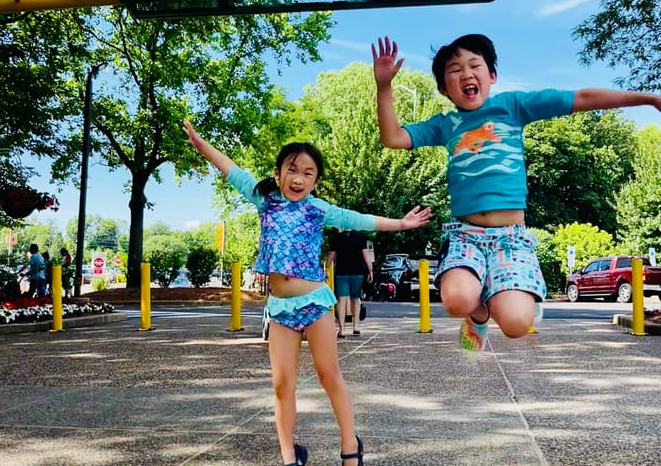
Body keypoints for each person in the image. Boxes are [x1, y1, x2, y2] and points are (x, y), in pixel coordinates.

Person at [372, 33, 661, 351]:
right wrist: (384, 86)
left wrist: (646, 99)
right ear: (443, 88)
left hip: (511, 237)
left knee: (516, 325)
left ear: (491, 75)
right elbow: (394, 137)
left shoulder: (513, 106)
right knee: (456, 300)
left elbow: (582, 98)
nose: (466, 74)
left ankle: (509, 301)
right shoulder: (446, 124)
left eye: (474, 65)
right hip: (465, 234)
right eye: (455, 70)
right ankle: (478, 313)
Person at [183, 119, 432, 466]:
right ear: (279, 171)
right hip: (281, 308)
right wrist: (199, 142)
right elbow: (230, 167)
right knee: (282, 385)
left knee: (329, 374)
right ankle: (289, 455)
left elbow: (360, 219)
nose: (298, 178)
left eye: (308, 173)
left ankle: (350, 446)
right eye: (292, 170)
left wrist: (401, 224)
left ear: (315, 180)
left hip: (315, 303)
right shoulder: (264, 199)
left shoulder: (318, 209)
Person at [326, 229, 373, 338]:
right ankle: (356, 327)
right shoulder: (360, 237)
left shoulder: (336, 238)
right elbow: (366, 256)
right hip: (357, 273)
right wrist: (370, 271)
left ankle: (342, 330)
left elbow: (331, 256)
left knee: (341, 300)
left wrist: (326, 270)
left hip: (341, 273)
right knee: (355, 299)